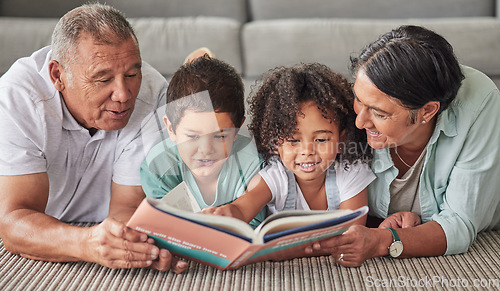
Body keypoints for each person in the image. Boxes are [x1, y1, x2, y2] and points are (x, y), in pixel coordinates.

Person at [0, 3, 187, 273]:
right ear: (58, 76)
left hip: (105, 218)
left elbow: (128, 205)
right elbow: (13, 222)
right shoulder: (17, 99)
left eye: (132, 74)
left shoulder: (153, 93)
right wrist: (87, 243)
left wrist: (141, 244)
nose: (124, 94)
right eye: (102, 79)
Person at [306, 25, 500, 267]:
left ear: (427, 111)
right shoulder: (356, 106)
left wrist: (381, 240)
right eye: (359, 100)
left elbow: (460, 223)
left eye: (379, 113)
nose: (360, 121)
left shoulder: (479, 103)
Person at [203, 63, 375, 228]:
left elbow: (351, 230)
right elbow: (242, 208)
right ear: (275, 142)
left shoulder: (351, 173)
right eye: (293, 141)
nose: (307, 151)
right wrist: (226, 214)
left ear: (341, 142)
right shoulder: (274, 178)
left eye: (321, 140)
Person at [140, 56, 266, 228]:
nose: (206, 150)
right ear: (170, 129)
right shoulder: (158, 167)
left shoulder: (252, 163)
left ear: (237, 129)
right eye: (192, 137)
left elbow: (253, 226)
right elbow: (165, 227)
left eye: (220, 136)